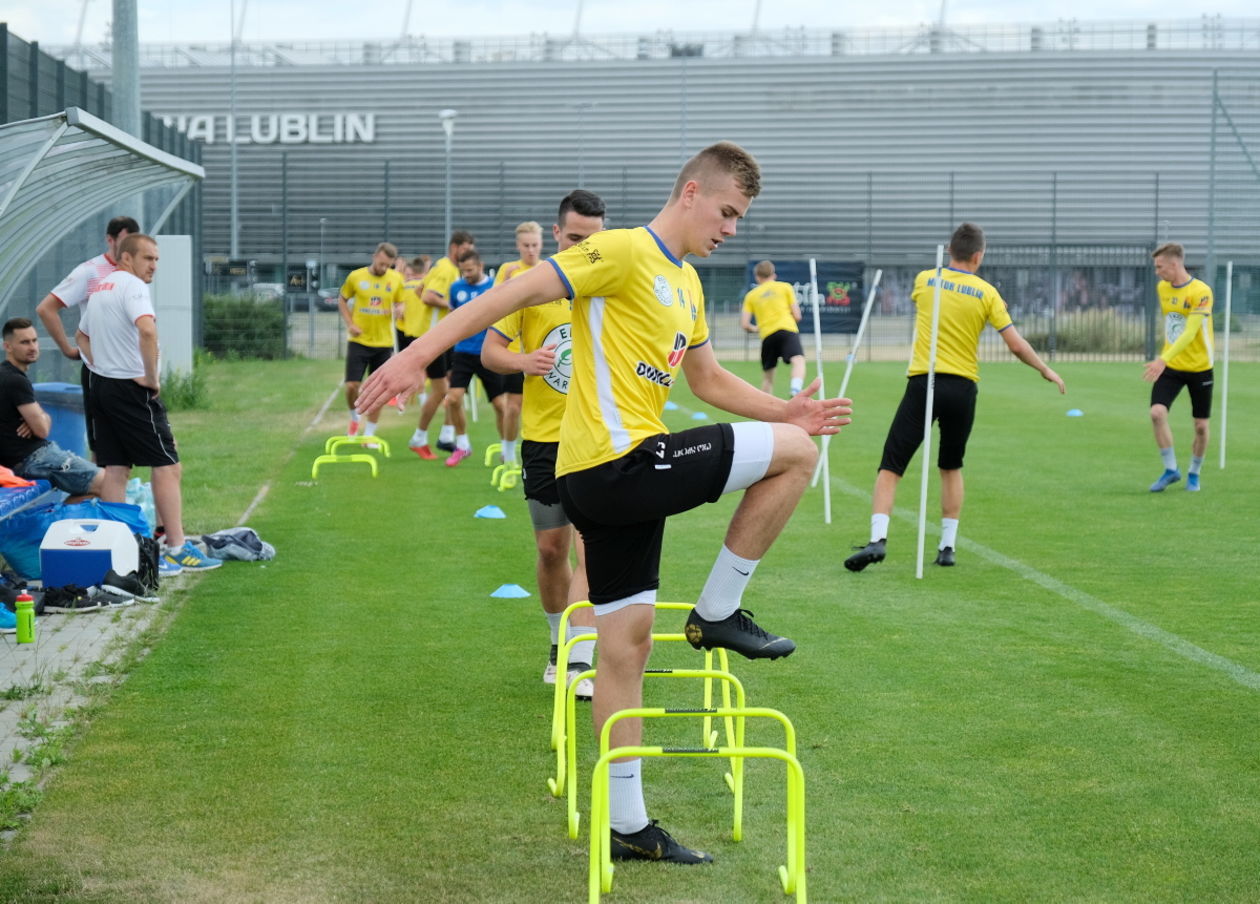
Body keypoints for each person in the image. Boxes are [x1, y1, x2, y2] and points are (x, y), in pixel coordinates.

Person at [357, 142, 850, 865]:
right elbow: (511, 296)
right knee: (796, 459)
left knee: (625, 648)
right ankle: (717, 613)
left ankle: (626, 826)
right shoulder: (620, 251)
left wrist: (785, 409)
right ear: (691, 192)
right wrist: (415, 355)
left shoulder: (685, 286)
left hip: (625, 478)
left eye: (740, 219)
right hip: (613, 465)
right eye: (727, 212)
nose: (732, 230)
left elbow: (708, 380)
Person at [844, 222, 1065, 572]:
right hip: (962, 387)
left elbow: (933, 303)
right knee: (951, 465)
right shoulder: (987, 293)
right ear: (979, 255)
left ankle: (878, 539)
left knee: (892, 465)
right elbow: (1015, 344)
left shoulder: (924, 280)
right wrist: (1044, 369)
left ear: (950, 251)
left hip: (924, 382)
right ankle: (947, 546)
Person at [482, 192, 607, 699]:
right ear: (556, 236)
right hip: (543, 441)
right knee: (551, 548)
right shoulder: (528, 287)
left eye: (593, 240)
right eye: (576, 238)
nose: (584, 247)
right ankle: (559, 645)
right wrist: (525, 362)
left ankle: (581, 660)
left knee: (591, 549)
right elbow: (491, 352)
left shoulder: (611, 285)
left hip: (597, 440)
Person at [74, 235, 222, 574]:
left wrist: (100, 365)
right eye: (148, 258)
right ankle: (176, 547)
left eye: (156, 259)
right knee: (168, 465)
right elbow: (147, 331)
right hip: (130, 388)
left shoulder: (102, 287)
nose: (153, 265)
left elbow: (81, 336)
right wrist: (151, 377)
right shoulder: (132, 286)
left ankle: (120, 548)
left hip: (102, 387)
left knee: (115, 469)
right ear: (126, 258)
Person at [35, 215, 140, 455]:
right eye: (122, 242)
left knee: (130, 437)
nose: (127, 249)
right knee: (103, 441)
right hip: (100, 368)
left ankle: (118, 488)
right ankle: (102, 487)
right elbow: (46, 308)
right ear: (109, 240)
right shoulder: (90, 271)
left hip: (130, 367)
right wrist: (68, 349)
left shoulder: (136, 272)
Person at [0, 318, 104, 499]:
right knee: (107, 483)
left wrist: (36, 416)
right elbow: (42, 429)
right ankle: (57, 524)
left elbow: (38, 423)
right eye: (24, 342)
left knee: (101, 484)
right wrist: (38, 417)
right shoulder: (15, 381)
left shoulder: (6, 375)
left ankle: (57, 521)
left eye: (34, 340)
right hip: (33, 459)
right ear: (7, 347)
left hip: (25, 459)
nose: (32, 347)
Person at [1143, 242, 1215, 493]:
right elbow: (1172, 329)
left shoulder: (1201, 292)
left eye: (1159, 266)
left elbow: (1189, 332)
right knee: (1156, 413)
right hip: (1172, 365)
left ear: (1175, 264)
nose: (1157, 271)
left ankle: (1194, 473)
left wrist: (1162, 358)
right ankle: (1171, 469)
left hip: (1200, 367)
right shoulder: (1163, 288)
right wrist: (1166, 360)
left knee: (1201, 426)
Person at [409, 231, 475, 458]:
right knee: (441, 391)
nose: (468, 254)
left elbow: (419, 290)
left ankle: (446, 435)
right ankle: (419, 437)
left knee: (452, 390)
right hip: (436, 339)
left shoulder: (448, 269)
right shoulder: (446, 268)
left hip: (446, 339)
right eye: (465, 249)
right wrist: (452, 307)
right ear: (455, 247)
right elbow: (427, 295)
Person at [441, 250, 508, 467]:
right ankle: (462, 445)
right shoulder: (456, 288)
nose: (466, 274)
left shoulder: (493, 287)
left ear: (481, 265)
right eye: (463, 271)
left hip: (488, 353)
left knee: (500, 405)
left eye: (470, 270)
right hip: (463, 352)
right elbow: (453, 317)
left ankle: (506, 449)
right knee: (452, 398)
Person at [489, 221, 546, 468]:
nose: (531, 250)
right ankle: (509, 452)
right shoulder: (508, 270)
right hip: (513, 351)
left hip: (542, 351)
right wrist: (506, 285)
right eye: (526, 245)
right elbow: (493, 306)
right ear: (518, 246)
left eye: (535, 245)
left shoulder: (548, 270)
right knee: (512, 408)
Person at [338, 242, 404, 440]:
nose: (383, 268)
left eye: (387, 266)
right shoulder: (356, 277)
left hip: (383, 343)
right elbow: (342, 299)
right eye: (381, 264)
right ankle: (354, 417)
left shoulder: (396, 279)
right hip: (359, 341)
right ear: (375, 257)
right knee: (351, 386)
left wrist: (399, 310)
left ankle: (369, 434)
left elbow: (400, 304)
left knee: (379, 391)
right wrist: (350, 324)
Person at [740, 260, 805, 397]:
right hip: (786, 329)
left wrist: (757, 328)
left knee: (768, 377)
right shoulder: (785, 287)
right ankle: (795, 390)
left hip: (767, 335)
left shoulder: (751, 295)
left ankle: (764, 413)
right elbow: (797, 315)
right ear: (773, 274)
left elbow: (745, 324)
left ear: (757, 276)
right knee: (798, 360)